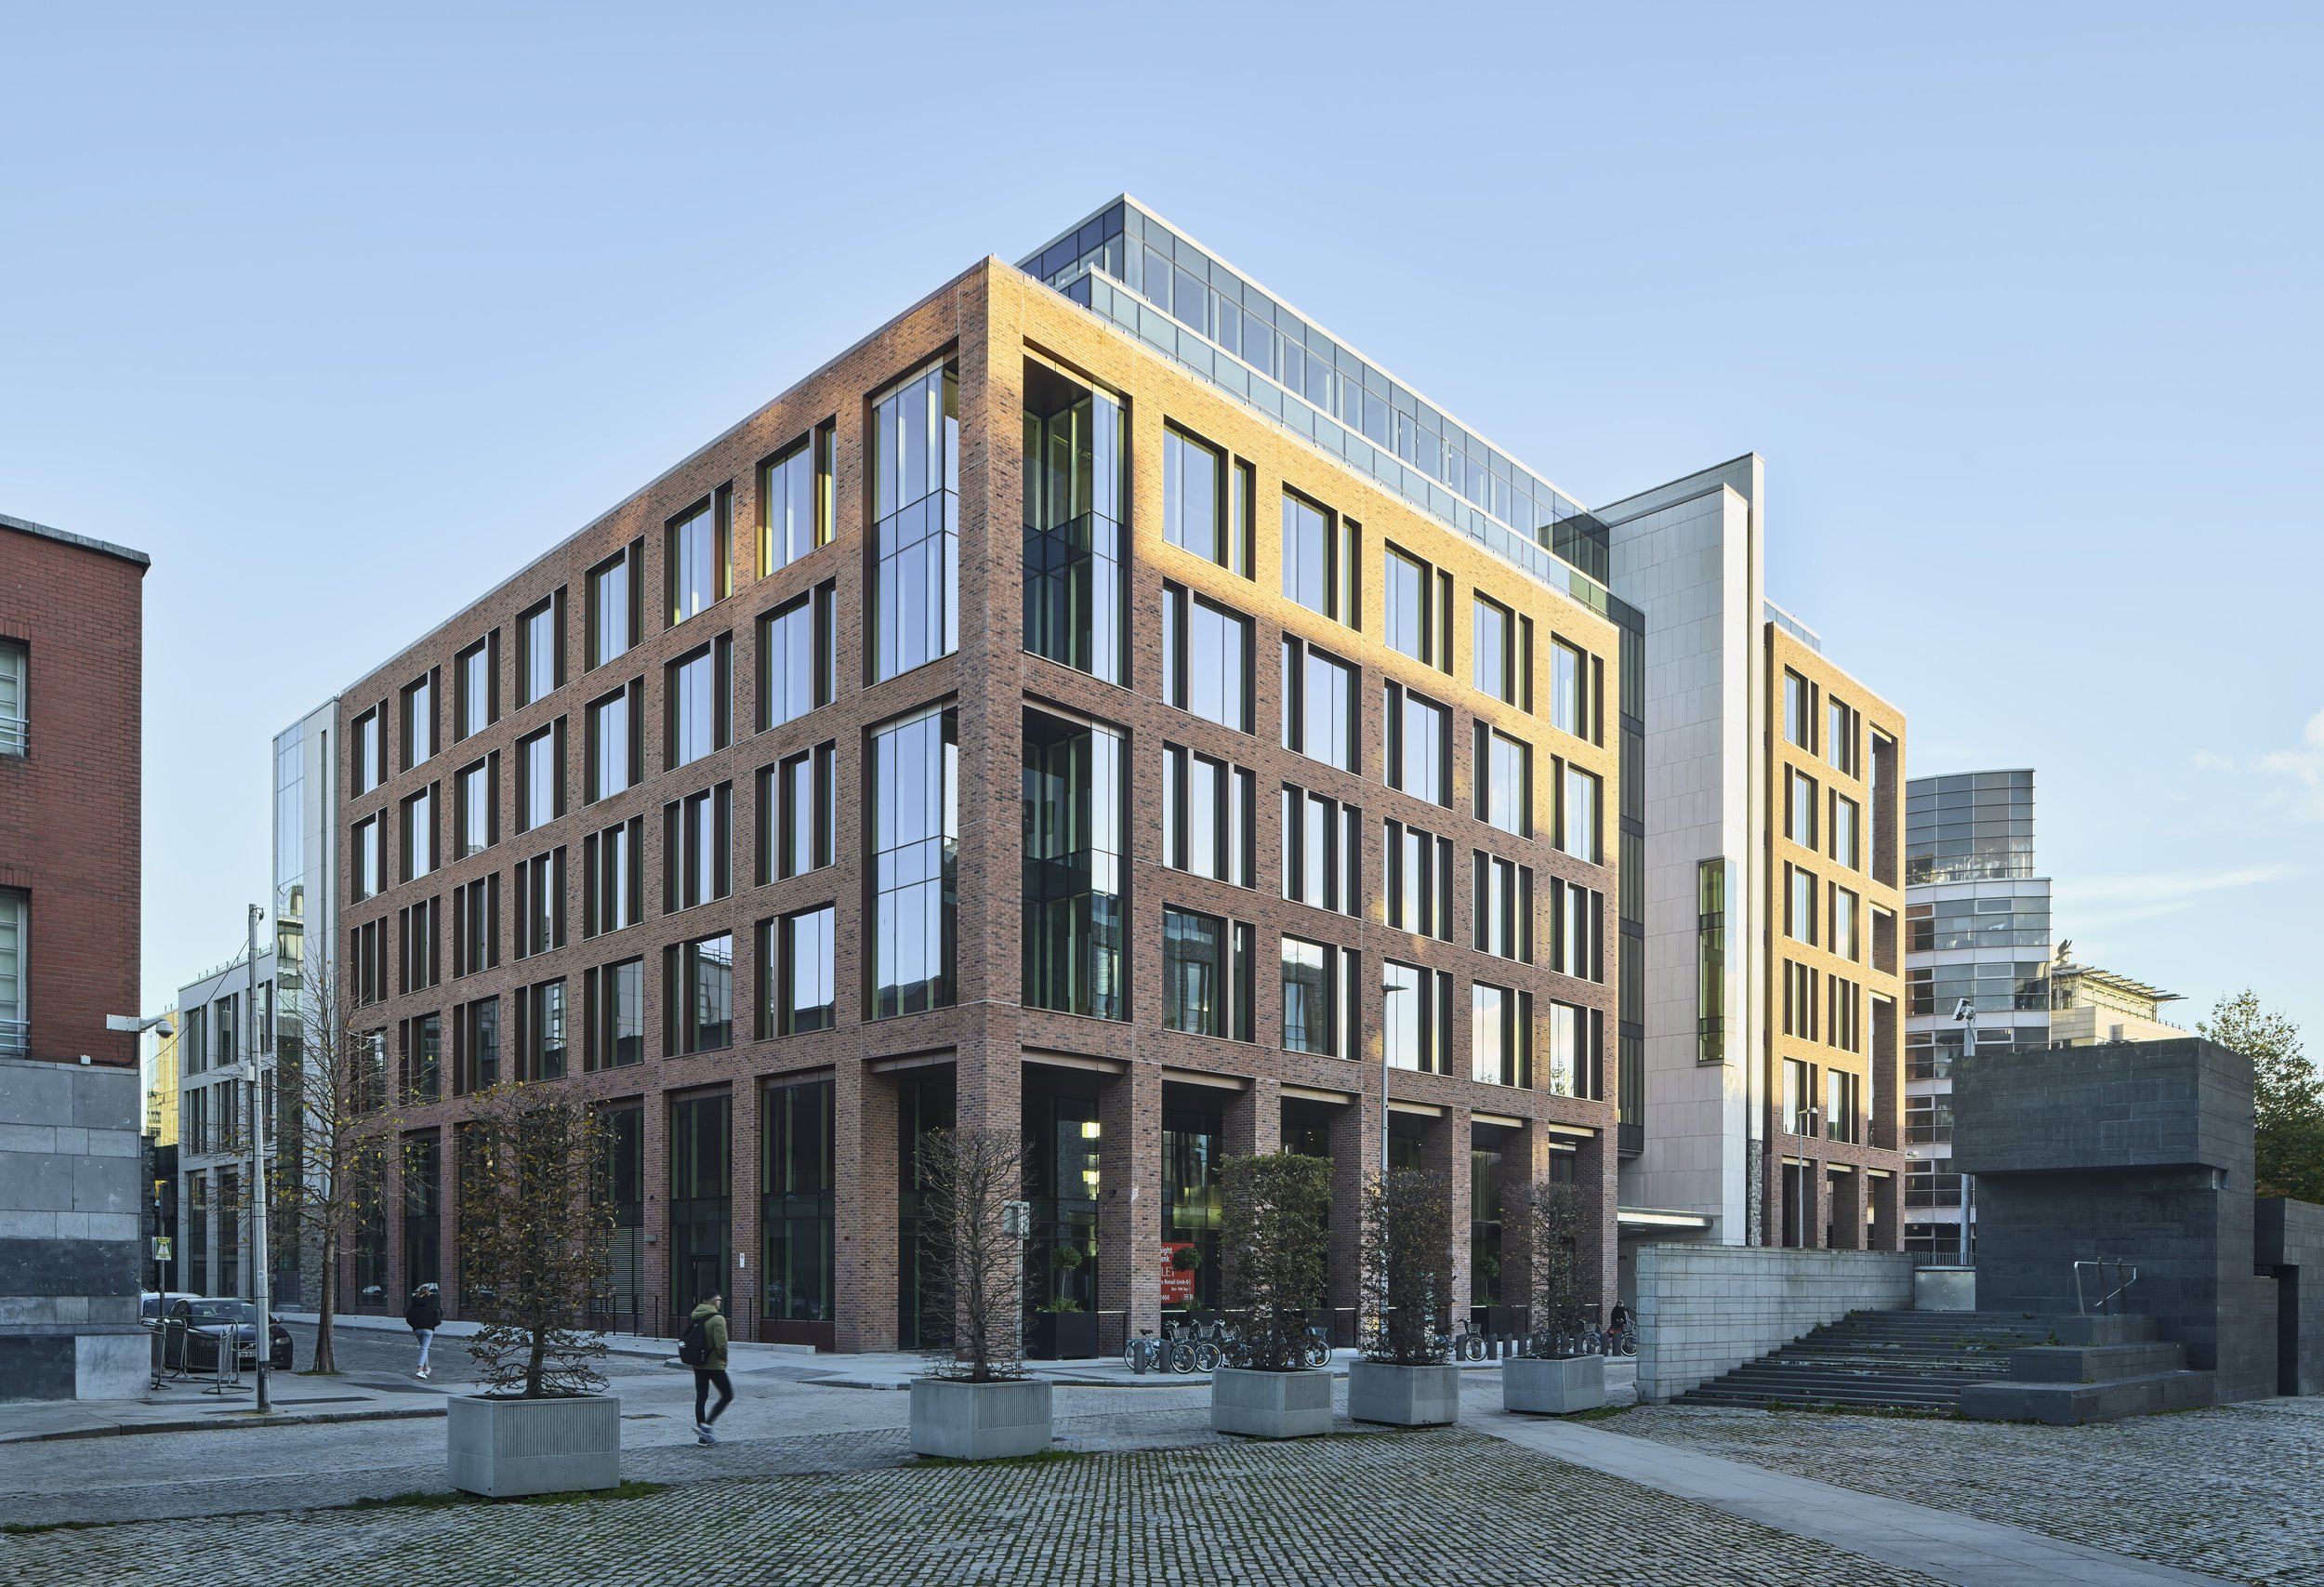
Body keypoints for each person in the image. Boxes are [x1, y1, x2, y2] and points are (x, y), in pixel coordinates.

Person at [688, 1292, 733, 1445]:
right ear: (714, 1301)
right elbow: (722, 1345)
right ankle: (707, 1426)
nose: (720, 1302)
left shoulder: (695, 1316)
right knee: (727, 1395)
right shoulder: (718, 1319)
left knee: (701, 1397)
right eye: (719, 1300)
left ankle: (703, 1435)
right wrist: (724, 1359)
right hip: (714, 1365)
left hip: (698, 1363)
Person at [405, 1283, 442, 1381]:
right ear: (428, 1293)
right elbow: (439, 1312)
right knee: (424, 1348)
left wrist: (414, 1325)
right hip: (429, 1328)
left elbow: (409, 1316)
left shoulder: (415, 1302)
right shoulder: (432, 1301)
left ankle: (427, 1367)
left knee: (423, 1348)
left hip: (417, 1329)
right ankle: (420, 1369)